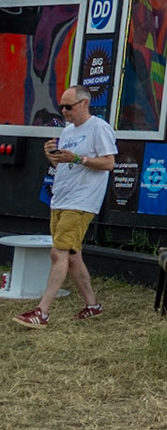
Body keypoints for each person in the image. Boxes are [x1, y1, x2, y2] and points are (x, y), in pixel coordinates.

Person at [14, 88, 116, 327]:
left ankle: (42, 312)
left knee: (58, 252)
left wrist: (78, 159)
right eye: (61, 107)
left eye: (68, 106)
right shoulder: (68, 130)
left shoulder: (99, 128)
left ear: (84, 103)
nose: (64, 111)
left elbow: (109, 163)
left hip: (81, 201)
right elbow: (66, 163)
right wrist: (52, 156)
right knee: (72, 254)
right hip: (61, 198)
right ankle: (92, 306)